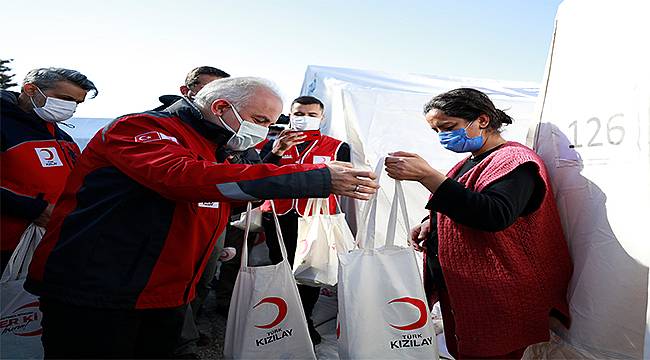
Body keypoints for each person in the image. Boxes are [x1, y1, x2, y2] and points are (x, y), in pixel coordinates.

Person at [24, 77, 378, 359]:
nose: (264, 130)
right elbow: (181, 178)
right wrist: (314, 177)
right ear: (221, 107)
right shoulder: (139, 128)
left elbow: (215, 199)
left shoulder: (219, 146)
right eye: (260, 121)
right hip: (99, 289)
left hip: (167, 292)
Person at [384, 88, 572, 359]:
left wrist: (428, 176)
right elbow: (463, 202)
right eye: (436, 131)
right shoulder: (469, 162)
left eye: (448, 127)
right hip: (469, 291)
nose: (442, 137)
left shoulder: (516, 162)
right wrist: (432, 222)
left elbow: (494, 214)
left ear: (482, 120)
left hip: (498, 295)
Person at [259, 95, 350, 345]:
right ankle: (282, 318)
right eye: (299, 114)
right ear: (290, 115)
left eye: (312, 115)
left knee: (310, 273)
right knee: (281, 268)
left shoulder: (337, 146)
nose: (305, 119)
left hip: (316, 219)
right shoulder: (271, 143)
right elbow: (257, 174)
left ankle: (305, 319)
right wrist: (277, 151)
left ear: (322, 118)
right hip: (278, 216)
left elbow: (344, 181)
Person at [0, 67, 97, 272]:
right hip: (7, 243)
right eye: (64, 98)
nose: (70, 108)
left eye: (77, 103)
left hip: (46, 245)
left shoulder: (62, 136)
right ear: (30, 90)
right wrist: (35, 209)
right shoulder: (5, 125)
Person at [153, 66, 230, 110]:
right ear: (185, 91)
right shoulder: (160, 120)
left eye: (222, 90)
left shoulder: (231, 124)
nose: (216, 94)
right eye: (208, 88)